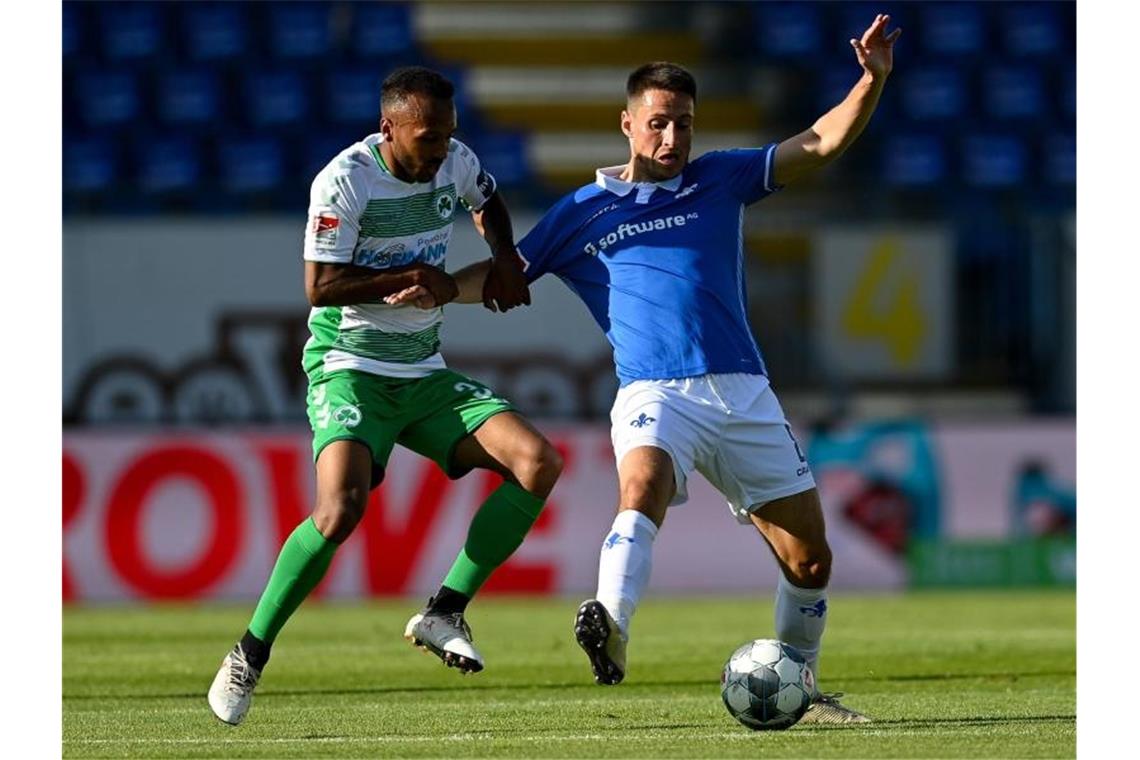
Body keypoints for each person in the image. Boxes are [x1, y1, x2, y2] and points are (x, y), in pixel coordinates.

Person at [390, 14, 900, 724]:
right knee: (644, 483)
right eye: (658, 124)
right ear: (627, 124)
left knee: (810, 563)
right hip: (656, 391)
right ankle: (612, 621)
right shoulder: (583, 212)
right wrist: (444, 287)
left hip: (745, 391)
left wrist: (870, 81)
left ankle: (801, 686)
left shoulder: (721, 179)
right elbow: (510, 274)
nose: (672, 139)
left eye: (684, 125)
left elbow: (820, 143)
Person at [207, 66, 562, 726]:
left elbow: (487, 199)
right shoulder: (345, 180)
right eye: (427, 139)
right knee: (340, 510)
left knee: (539, 462)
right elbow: (319, 286)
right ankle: (248, 655)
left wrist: (505, 255)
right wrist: (410, 274)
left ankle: (445, 611)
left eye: (449, 137)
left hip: (423, 373)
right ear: (388, 129)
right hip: (350, 367)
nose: (440, 153)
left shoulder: (454, 161)